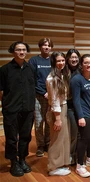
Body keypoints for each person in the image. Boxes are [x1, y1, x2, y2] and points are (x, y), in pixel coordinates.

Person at [0, 41, 35, 177]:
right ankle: (13, 161)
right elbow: (1, 90)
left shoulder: (30, 68)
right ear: (13, 51)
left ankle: (22, 159)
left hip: (27, 109)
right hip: (11, 110)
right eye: (18, 49)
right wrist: (7, 105)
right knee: (11, 138)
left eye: (24, 50)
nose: (21, 52)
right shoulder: (4, 69)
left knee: (26, 136)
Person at [46, 51, 71, 176]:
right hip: (58, 111)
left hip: (63, 108)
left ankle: (61, 162)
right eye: (58, 61)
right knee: (56, 139)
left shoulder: (61, 75)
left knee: (63, 137)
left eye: (62, 60)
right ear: (53, 62)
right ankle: (53, 167)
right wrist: (57, 119)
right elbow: (55, 101)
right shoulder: (52, 78)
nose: (61, 63)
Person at [29, 38, 53, 157]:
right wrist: (43, 92)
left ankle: (48, 143)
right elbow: (32, 80)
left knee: (49, 121)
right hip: (38, 96)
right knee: (39, 122)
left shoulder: (53, 60)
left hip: (51, 96)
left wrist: (51, 93)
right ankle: (40, 146)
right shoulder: (34, 60)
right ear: (40, 47)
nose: (46, 47)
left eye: (48, 45)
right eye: (44, 45)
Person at [65, 49, 81, 165]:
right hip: (70, 106)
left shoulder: (82, 71)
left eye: (76, 57)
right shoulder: (64, 72)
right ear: (68, 59)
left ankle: (79, 154)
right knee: (73, 132)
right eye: (71, 57)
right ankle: (70, 154)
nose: (74, 60)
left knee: (82, 132)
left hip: (82, 106)